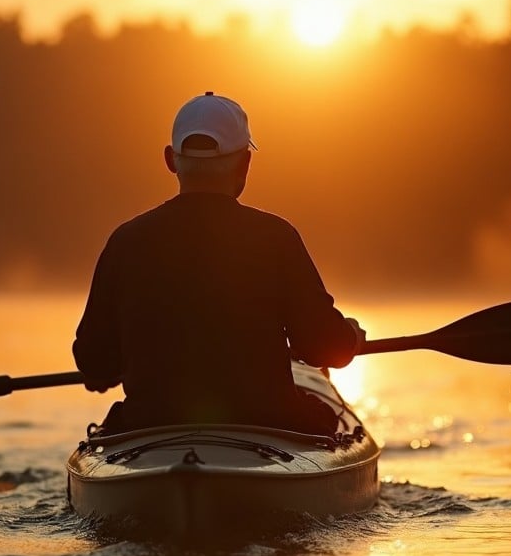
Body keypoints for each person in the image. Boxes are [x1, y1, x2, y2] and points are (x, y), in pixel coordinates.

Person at [72, 91, 364, 434]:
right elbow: (324, 346)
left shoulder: (126, 241)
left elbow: (94, 361)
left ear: (170, 159)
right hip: (266, 425)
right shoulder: (275, 237)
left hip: (150, 426)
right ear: (245, 163)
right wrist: (350, 338)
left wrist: (104, 373)